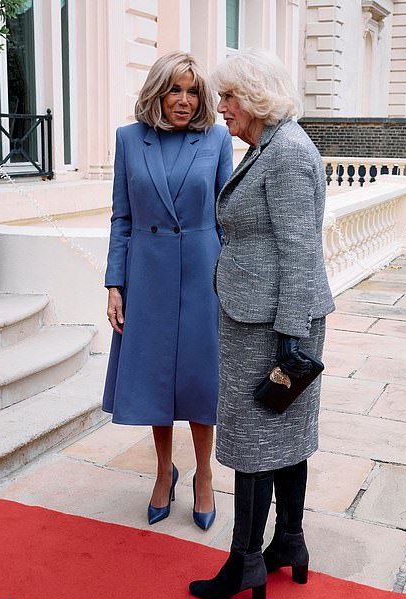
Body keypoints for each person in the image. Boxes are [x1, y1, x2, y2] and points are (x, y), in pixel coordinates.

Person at [189, 49, 335, 599]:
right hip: (264, 318)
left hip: (272, 325)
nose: (219, 107)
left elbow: (301, 252)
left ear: (254, 98)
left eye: (227, 97)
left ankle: (246, 561)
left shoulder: (288, 153)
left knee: (255, 441)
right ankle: (288, 544)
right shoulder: (271, 146)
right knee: (282, 435)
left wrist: (291, 341)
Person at [102, 51, 233, 531]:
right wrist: (115, 283)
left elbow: (228, 216)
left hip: (203, 273)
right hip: (148, 273)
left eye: (193, 91)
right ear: (158, 91)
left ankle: (204, 474)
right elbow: (122, 216)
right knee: (157, 377)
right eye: (175, 89)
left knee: (200, 379)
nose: (184, 100)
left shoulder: (216, 139)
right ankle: (163, 471)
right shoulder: (129, 140)